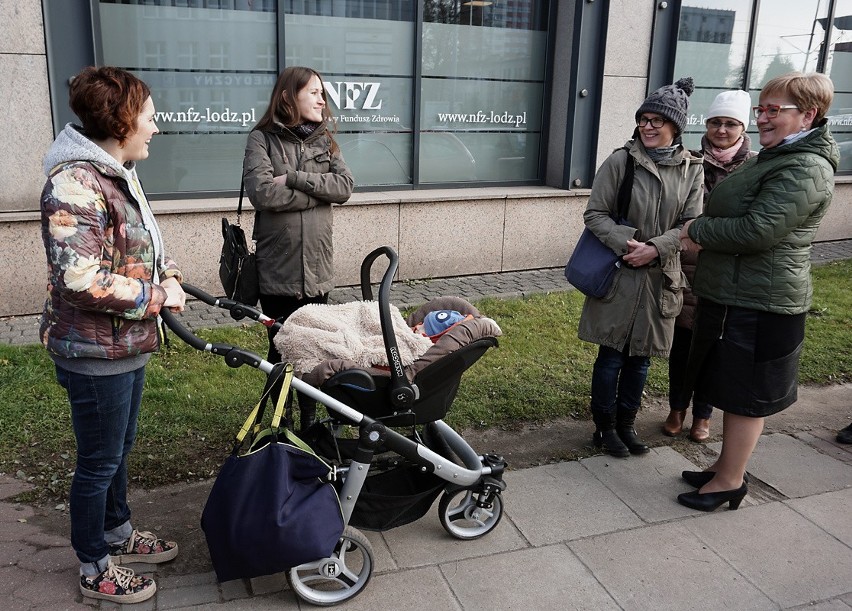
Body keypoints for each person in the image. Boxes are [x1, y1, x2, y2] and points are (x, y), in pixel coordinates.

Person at [40, 66, 186, 604]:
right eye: (149, 116)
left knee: (117, 451)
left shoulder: (116, 173)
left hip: (122, 345)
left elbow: (141, 243)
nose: (156, 126)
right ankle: (93, 565)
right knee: (99, 460)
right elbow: (79, 280)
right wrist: (157, 299)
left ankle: (118, 533)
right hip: (93, 350)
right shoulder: (75, 183)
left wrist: (168, 273)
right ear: (123, 121)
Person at [677, 72, 839, 511]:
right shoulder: (775, 156)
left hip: (761, 302)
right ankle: (724, 467)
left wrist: (698, 229)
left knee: (745, 396)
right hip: (737, 294)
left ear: (808, 115)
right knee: (728, 386)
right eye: (761, 109)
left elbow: (757, 231)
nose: (762, 119)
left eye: (774, 110)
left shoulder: (805, 166)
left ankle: (730, 481)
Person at [578, 77, 704, 458]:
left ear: (675, 127)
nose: (647, 126)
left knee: (641, 359)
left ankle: (627, 425)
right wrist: (627, 242)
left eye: (656, 121)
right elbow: (595, 214)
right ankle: (604, 429)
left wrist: (655, 248)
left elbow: (692, 224)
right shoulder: (621, 161)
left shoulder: (692, 168)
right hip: (619, 274)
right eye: (643, 119)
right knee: (611, 356)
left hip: (659, 277)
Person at [243, 66, 354, 430]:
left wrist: (294, 177)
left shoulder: (326, 140)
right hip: (279, 270)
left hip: (317, 268)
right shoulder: (262, 139)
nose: (323, 99)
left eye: (323, 92)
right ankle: (275, 422)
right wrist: (317, 195)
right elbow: (263, 193)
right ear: (290, 97)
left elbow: (343, 188)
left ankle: (308, 420)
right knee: (281, 348)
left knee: (314, 350)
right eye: (314, 92)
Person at [664, 89, 756, 442]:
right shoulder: (690, 160)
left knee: (715, 348)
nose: (721, 130)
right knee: (684, 345)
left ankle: (703, 415)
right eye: (716, 122)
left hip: (729, 271)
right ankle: (677, 408)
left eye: (730, 124)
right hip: (688, 266)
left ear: (742, 128)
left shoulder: (754, 166)